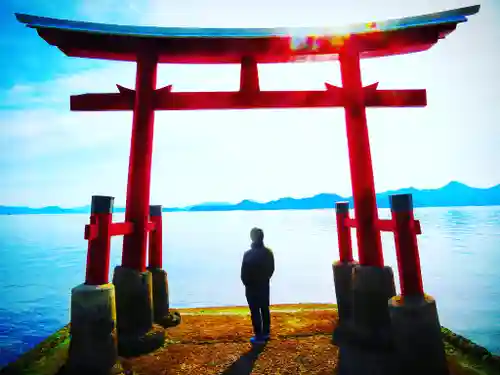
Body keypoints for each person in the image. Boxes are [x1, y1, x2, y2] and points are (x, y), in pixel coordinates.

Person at [241, 227, 275, 345]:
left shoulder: (248, 254)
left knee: (255, 311)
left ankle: (259, 336)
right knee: (265, 309)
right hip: (264, 285)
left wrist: (248, 284)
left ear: (252, 238)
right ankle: (266, 333)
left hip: (251, 288)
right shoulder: (268, 253)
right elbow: (271, 269)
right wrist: (265, 279)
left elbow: (244, 274)